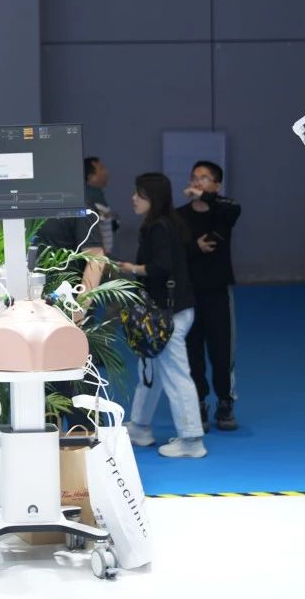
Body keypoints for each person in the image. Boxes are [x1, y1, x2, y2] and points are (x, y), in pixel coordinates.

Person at [117, 172, 204, 459]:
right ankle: (140, 427)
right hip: (169, 311)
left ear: (152, 198)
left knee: (176, 375)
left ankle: (192, 439)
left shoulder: (158, 228)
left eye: (139, 194)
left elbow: (160, 267)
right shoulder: (168, 223)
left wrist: (130, 268)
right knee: (150, 370)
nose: (133, 198)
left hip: (168, 314)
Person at [177, 160, 242, 432]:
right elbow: (175, 251)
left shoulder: (225, 210)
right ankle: (199, 402)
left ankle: (225, 401)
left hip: (217, 291)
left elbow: (232, 208)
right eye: (194, 177)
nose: (197, 181)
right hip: (189, 293)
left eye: (204, 178)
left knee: (222, 350)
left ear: (217, 185)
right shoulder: (178, 216)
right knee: (192, 350)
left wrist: (205, 197)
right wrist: (195, 247)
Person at [84, 156, 118, 254]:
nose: (106, 172)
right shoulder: (89, 198)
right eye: (102, 169)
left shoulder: (97, 194)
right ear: (91, 177)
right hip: (97, 255)